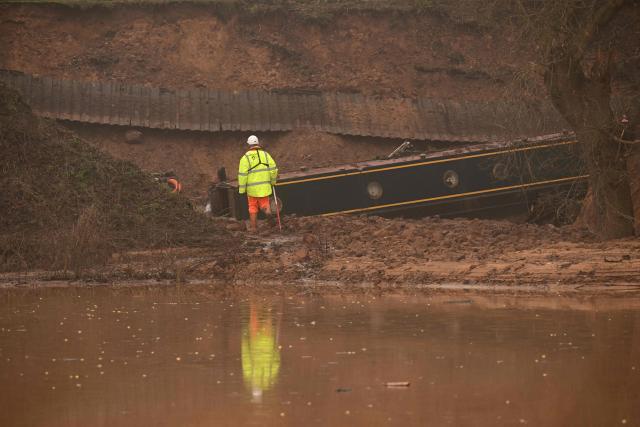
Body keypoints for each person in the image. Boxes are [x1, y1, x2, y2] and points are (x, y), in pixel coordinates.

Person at [238, 135, 278, 232]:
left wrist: (242, 190)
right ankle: (268, 213)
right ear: (258, 143)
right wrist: (273, 182)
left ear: (249, 145)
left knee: (252, 207)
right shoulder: (266, 155)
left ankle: (254, 228)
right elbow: (273, 170)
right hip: (264, 187)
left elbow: (242, 175)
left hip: (252, 189)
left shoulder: (245, 158)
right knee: (265, 204)